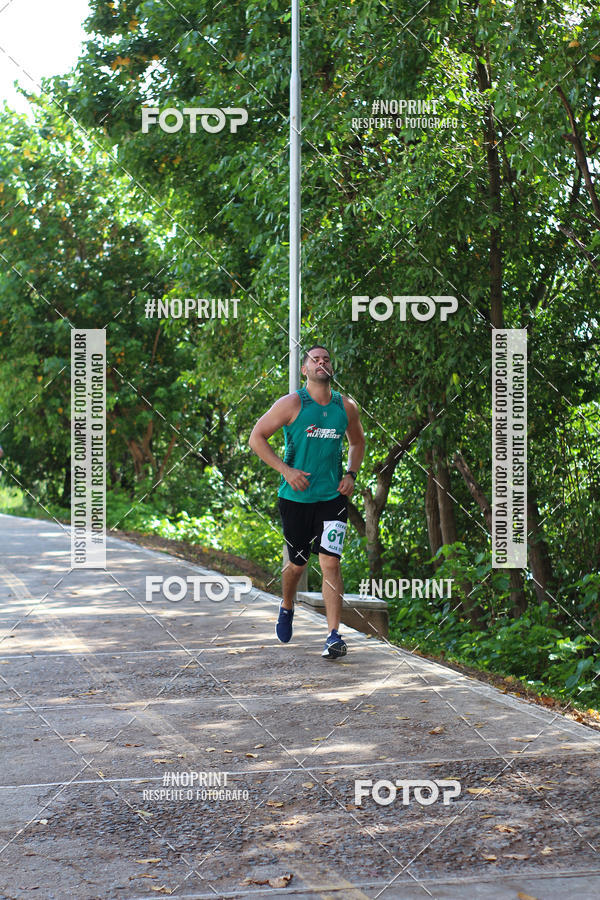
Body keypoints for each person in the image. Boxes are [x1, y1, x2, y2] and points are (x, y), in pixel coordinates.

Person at [249, 345, 365, 658]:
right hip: (296, 498)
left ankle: (332, 635)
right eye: (314, 359)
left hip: (333, 497)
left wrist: (352, 474)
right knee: (298, 565)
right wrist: (285, 470)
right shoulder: (292, 403)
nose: (321, 362)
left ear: (331, 367)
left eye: (326, 359)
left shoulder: (346, 406)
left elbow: (357, 442)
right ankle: (287, 604)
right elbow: (256, 437)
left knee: (330, 562)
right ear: (305, 370)